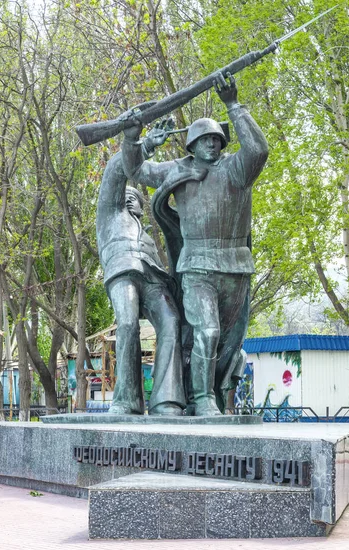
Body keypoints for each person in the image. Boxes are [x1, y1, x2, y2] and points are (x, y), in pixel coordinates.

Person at [122, 73, 268, 417]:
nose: (213, 144)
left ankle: (208, 393)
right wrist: (137, 139)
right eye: (205, 139)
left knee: (229, 344)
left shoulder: (237, 169)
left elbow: (259, 149)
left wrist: (233, 104)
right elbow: (136, 170)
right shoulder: (177, 171)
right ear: (191, 145)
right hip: (197, 268)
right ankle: (203, 401)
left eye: (217, 139)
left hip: (235, 268)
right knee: (208, 331)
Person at [96, 151, 186, 416]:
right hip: (123, 270)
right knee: (126, 324)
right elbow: (116, 168)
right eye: (125, 197)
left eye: (134, 198)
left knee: (171, 322)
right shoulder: (110, 215)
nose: (128, 200)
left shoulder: (145, 234)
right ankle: (127, 400)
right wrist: (141, 146)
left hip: (153, 278)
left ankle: (165, 400)